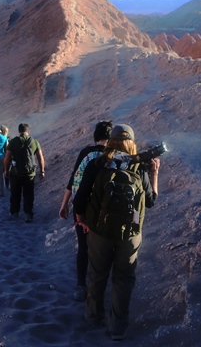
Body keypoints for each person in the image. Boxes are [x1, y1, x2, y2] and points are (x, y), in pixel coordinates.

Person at [72, 124, 160, 341]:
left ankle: (94, 316)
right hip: (130, 235)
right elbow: (150, 201)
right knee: (124, 278)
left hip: (99, 232)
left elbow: (81, 197)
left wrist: (81, 220)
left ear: (110, 141)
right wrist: (155, 174)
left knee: (97, 273)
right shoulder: (139, 167)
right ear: (131, 143)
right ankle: (118, 328)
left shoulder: (97, 163)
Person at [58, 121, 113, 302]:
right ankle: (100, 287)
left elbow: (74, 179)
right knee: (102, 247)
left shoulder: (86, 153)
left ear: (95, 137)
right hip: (104, 209)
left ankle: (81, 286)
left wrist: (64, 204)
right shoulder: (113, 155)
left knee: (83, 246)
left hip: (81, 206)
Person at [3, 123, 45, 223]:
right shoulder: (34, 142)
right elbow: (40, 157)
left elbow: (7, 157)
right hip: (30, 174)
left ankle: (15, 212)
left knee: (15, 193)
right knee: (29, 194)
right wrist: (42, 170)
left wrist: (6, 170)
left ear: (19, 131)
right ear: (28, 131)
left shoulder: (13, 142)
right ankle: (28, 214)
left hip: (15, 173)